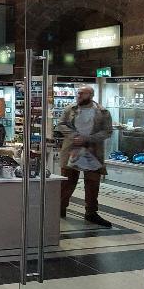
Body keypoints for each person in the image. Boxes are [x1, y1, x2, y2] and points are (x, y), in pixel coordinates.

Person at [56, 85, 113, 227]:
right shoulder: (70, 109)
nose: (78, 96)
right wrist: (75, 136)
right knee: (67, 181)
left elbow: (107, 131)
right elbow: (61, 124)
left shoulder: (102, 112)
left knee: (93, 183)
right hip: (72, 150)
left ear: (91, 95)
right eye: (78, 93)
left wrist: (88, 139)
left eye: (82, 93)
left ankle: (91, 212)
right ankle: (60, 208)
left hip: (93, 151)